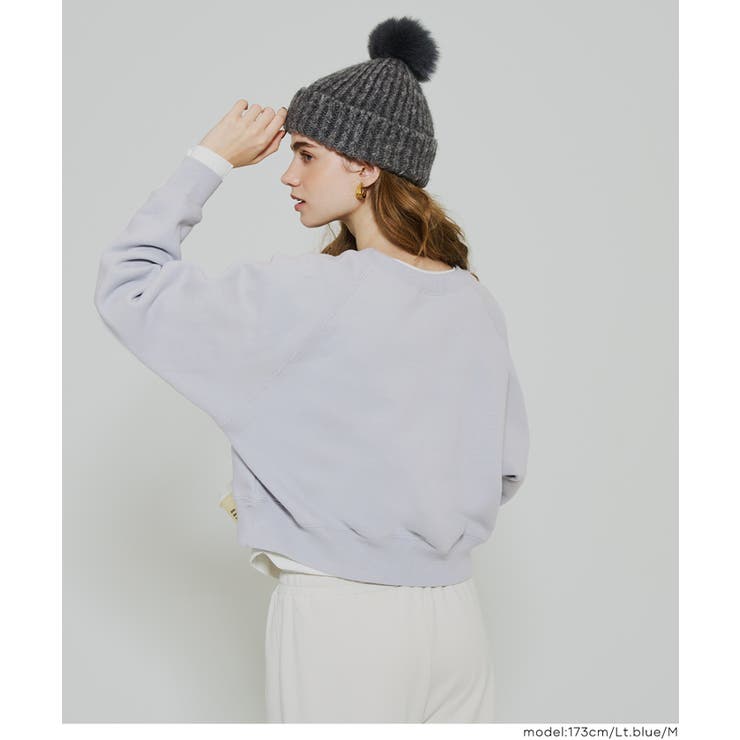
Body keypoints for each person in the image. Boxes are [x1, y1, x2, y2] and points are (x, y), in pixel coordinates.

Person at [94, 15, 530, 724]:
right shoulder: (472, 301)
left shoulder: (309, 293)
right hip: (457, 621)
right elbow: (502, 471)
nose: (287, 174)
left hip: (342, 620)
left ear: (366, 167)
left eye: (305, 154)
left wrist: (210, 158)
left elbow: (129, 285)